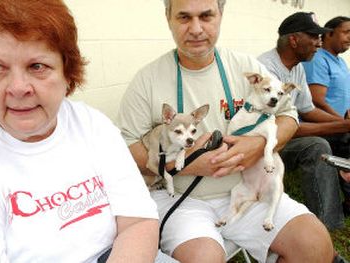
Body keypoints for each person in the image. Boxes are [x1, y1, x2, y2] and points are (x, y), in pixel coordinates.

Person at [0, 0, 169, 262]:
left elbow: (138, 222)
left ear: (67, 71)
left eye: (37, 66)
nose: (18, 88)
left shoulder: (91, 124)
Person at [117, 0, 335, 262]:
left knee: (314, 245)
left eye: (206, 16)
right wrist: (189, 165)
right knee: (203, 258)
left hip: (247, 189)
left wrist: (258, 146)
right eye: (184, 17)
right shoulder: (147, 79)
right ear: (168, 19)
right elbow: (128, 148)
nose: (196, 28)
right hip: (182, 197)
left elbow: (289, 116)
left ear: (220, 15)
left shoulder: (246, 67)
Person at [258, 12, 348, 230]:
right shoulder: (266, 69)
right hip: (266, 146)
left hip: (285, 136)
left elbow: (308, 109)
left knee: (345, 135)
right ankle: (325, 224)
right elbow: (280, 129)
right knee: (316, 146)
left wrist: (341, 124)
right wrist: (341, 124)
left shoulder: (296, 67)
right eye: (314, 37)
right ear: (294, 40)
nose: (319, 43)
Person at [302, 16, 350, 216]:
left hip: (341, 124)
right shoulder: (318, 59)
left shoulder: (340, 62)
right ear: (329, 33)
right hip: (325, 126)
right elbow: (317, 101)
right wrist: (343, 123)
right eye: (346, 32)